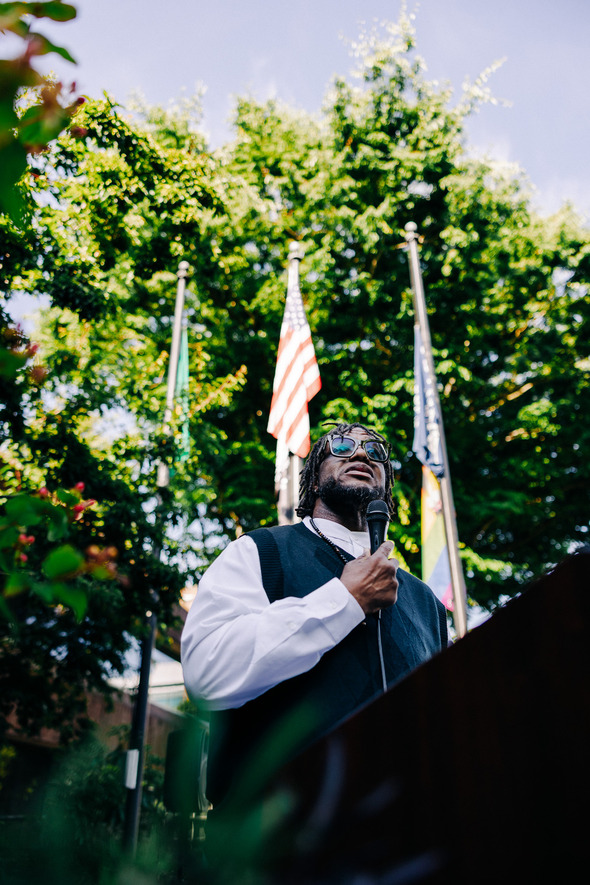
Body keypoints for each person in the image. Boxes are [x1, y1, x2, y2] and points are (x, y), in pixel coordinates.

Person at [181, 422, 448, 804]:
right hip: (277, 834)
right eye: (341, 446)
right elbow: (206, 673)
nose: (360, 454)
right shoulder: (260, 552)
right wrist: (344, 600)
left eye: (375, 452)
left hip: (405, 837)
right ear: (315, 481)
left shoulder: (426, 603)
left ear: (387, 492)